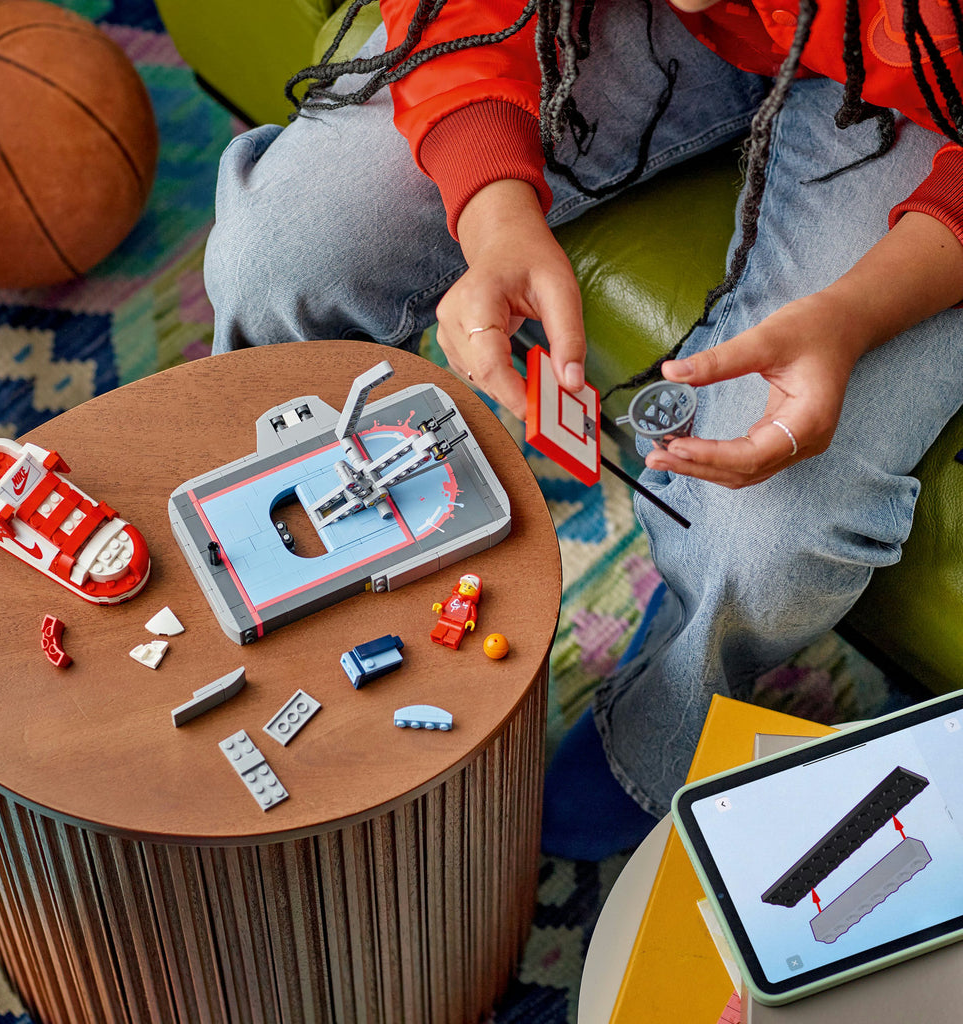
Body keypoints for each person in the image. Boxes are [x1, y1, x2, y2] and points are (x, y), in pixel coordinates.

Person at [204, 0, 963, 859]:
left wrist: (856, 315)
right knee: (279, 258)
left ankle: (661, 732)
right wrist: (493, 214)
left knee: (766, 541)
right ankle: (260, 558)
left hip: (931, 113)